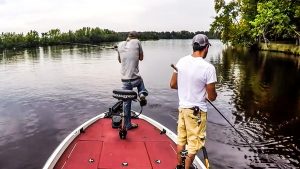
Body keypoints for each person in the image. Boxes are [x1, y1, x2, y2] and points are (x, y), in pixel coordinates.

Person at [170, 34, 217, 169]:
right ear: (206, 47)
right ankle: (186, 167)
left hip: (183, 110)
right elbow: (212, 96)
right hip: (196, 113)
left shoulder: (181, 61)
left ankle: (180, 165)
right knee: (193, 145)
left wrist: (187, 85)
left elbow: (173, 84)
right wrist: (209, 94)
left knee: (181, 141)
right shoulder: (208, 68)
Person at [117, 31, 148, 130]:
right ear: (135, 37)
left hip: (125, 81)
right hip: (135, 79)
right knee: (140, 80)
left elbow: (120, 60)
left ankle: (127, 125)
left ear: (128, 37)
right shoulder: (137, 42)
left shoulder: (120, 45)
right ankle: (142, 93)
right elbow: (141, 58)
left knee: (126, 103)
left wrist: (119, 51)